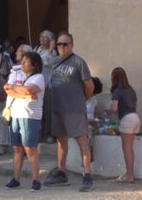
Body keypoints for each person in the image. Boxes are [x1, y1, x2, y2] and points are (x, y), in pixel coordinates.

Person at [44, 32, 94, 192]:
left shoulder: (79, 62)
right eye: (59, 44)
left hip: (74, 108)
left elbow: (89, 85)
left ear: (72, 45)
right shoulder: (55, 61)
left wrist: (83, 99)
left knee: (82, 140)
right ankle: (61, 172)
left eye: (65, 44)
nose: (61, 47)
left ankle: (87, 175)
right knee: (61, 140)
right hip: (57, 107)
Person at [4, 51, 45, 192]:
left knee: (30, 148)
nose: (22, 63)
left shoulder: (39, 77)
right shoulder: (17, 74)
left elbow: (28, 89)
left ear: (34, 65)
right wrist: (22, 92)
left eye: (26, 61)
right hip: (15, 114)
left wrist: (16, 89)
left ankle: (36, 180)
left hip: (30, 116)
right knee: (17, 148)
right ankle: (16, 179)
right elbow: (7, 88)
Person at [109, 67, 139, 183]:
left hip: (126, 118)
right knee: (130, 148)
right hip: (135, 117)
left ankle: (130, 176)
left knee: (127, 149)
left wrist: (109, 109)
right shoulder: (131, 90)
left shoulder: (118, 91)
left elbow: (114, 108)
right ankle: (130, 173)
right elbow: (136, 105)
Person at [35, 30, 57, 142]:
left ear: (50, 40)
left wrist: (51, 49)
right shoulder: (36, 49)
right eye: (41, 37)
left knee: (48, 110)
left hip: (47, 84)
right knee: (37, 110)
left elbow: (47, 63)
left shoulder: (52, 52)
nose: (41, 39)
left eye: (44, 37)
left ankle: (49, 134)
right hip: (36, 85)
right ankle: (38, 134)